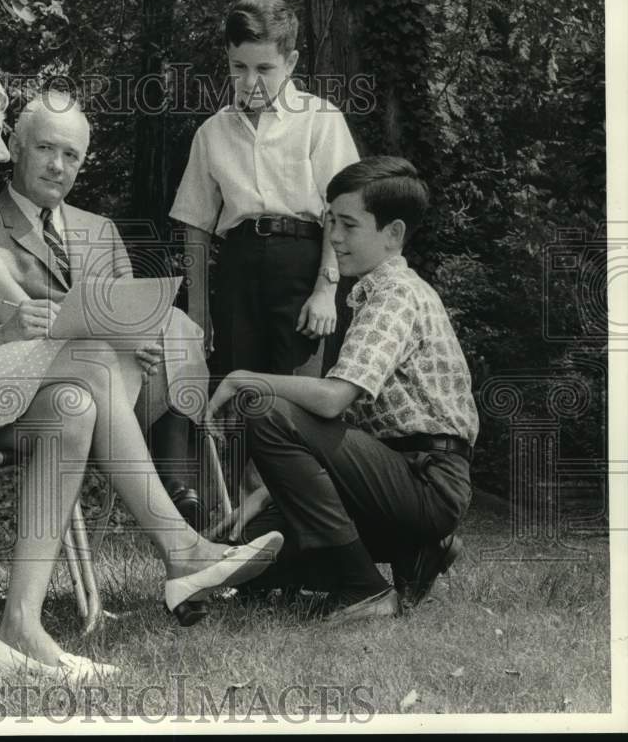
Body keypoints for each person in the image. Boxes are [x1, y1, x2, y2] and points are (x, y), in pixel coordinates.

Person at [0, 60, 283, 686]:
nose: (1, 149)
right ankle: (182, 550)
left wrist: (74, 322)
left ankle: (20, 629)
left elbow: (39, 323)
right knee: (89, 365)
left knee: (71, 407)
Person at [205, 156, 479, 622]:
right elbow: (333, 435)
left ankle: (364, 590)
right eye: (331, 222)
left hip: (426, 480)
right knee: (239, 555)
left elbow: (332, 401)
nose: (333, 238)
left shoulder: (395, 294)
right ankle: (418, 551)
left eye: (348, 225)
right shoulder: (370, 292)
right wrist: (263, 495)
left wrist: (242, 378)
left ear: (393, 234)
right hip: (391, 477)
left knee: (266, 409)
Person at [0, 91, 211, 529]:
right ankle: (178, 488)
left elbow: (132, 315)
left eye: (71, 155)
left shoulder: (101, 229)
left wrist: (144, 342)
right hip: (36, 396)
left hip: (127, 389)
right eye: (45, 148)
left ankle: (176, 482)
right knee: (173, 326)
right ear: (15, 148)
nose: (58, 166)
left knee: (172, 326)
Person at [170, 0, 360, 381]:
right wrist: (199, 312)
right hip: (237, 270)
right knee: (238, 393)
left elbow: (342, 210)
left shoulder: (319, 119)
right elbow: (195, 226)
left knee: (297, 398)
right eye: (238, 67)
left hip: (303, 265)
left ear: (289, 63)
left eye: (264, 69)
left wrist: (326, 289)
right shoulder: (212, 132)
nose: (249, 81)